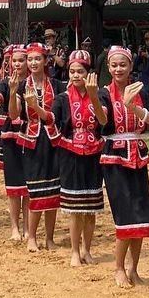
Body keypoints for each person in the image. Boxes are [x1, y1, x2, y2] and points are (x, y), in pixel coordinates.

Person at [99, 45, 149, 287]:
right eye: (114, 65)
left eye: (123, 64)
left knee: (141, 213)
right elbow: (101, 120)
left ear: (130, 67)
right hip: (115, 159)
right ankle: (118, 268)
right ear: (108, 68)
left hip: (138, 156)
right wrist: (93, 98)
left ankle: (134, 269)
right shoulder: (103, 94)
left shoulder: (140, 91)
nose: (118, 69)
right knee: (125, 214)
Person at [51, 50, 106, 267]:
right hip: (70, 154)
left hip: (94, 154)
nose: (75, 75)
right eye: (72, 71)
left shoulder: (100, 96)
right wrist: (36, 108)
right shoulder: (62, 98)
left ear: (89, 73)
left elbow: (104, 121)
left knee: (91, 208)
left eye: (80, 71)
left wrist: (93, 95)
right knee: (75, 208)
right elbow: (51, 121)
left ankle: (87, 249)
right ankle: (74, 251)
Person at [13, 42, 65, 252]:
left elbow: (58, 114)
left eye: (37, 59)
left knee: (53, 190)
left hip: (53, 139)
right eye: (30, 59)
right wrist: (12, 93)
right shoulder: (21, 85)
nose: (33, 63)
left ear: (45, 61)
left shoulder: (57, 85)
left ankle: (50, 238)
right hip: (32, 140)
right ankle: (32, 237)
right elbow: (14, 115)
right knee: (35, 190)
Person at [0, 45, 30, 242]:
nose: (18, 64)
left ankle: (28, 227)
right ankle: (14, 227)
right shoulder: (5, 83)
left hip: (29, 134)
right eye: (15, 61)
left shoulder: (32, 82)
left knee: (29, 185)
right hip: (11, 136)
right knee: (13, 185)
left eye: (21, 60)